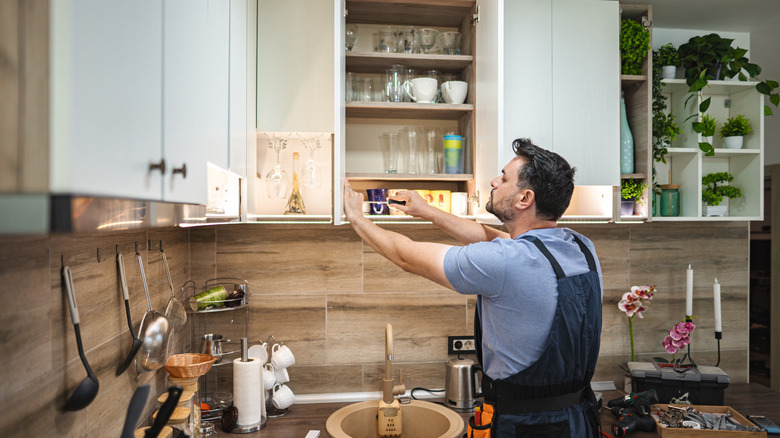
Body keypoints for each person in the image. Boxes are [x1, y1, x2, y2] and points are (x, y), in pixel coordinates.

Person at [343, 138, 603, 437]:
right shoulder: (580, 246)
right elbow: (489, 237)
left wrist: (356, 218)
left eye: (504, 178)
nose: (494, 181)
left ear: (524, 199)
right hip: (579, 420)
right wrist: (427, 211)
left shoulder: (506, 261)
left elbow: (406, 256)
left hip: (524, 426)